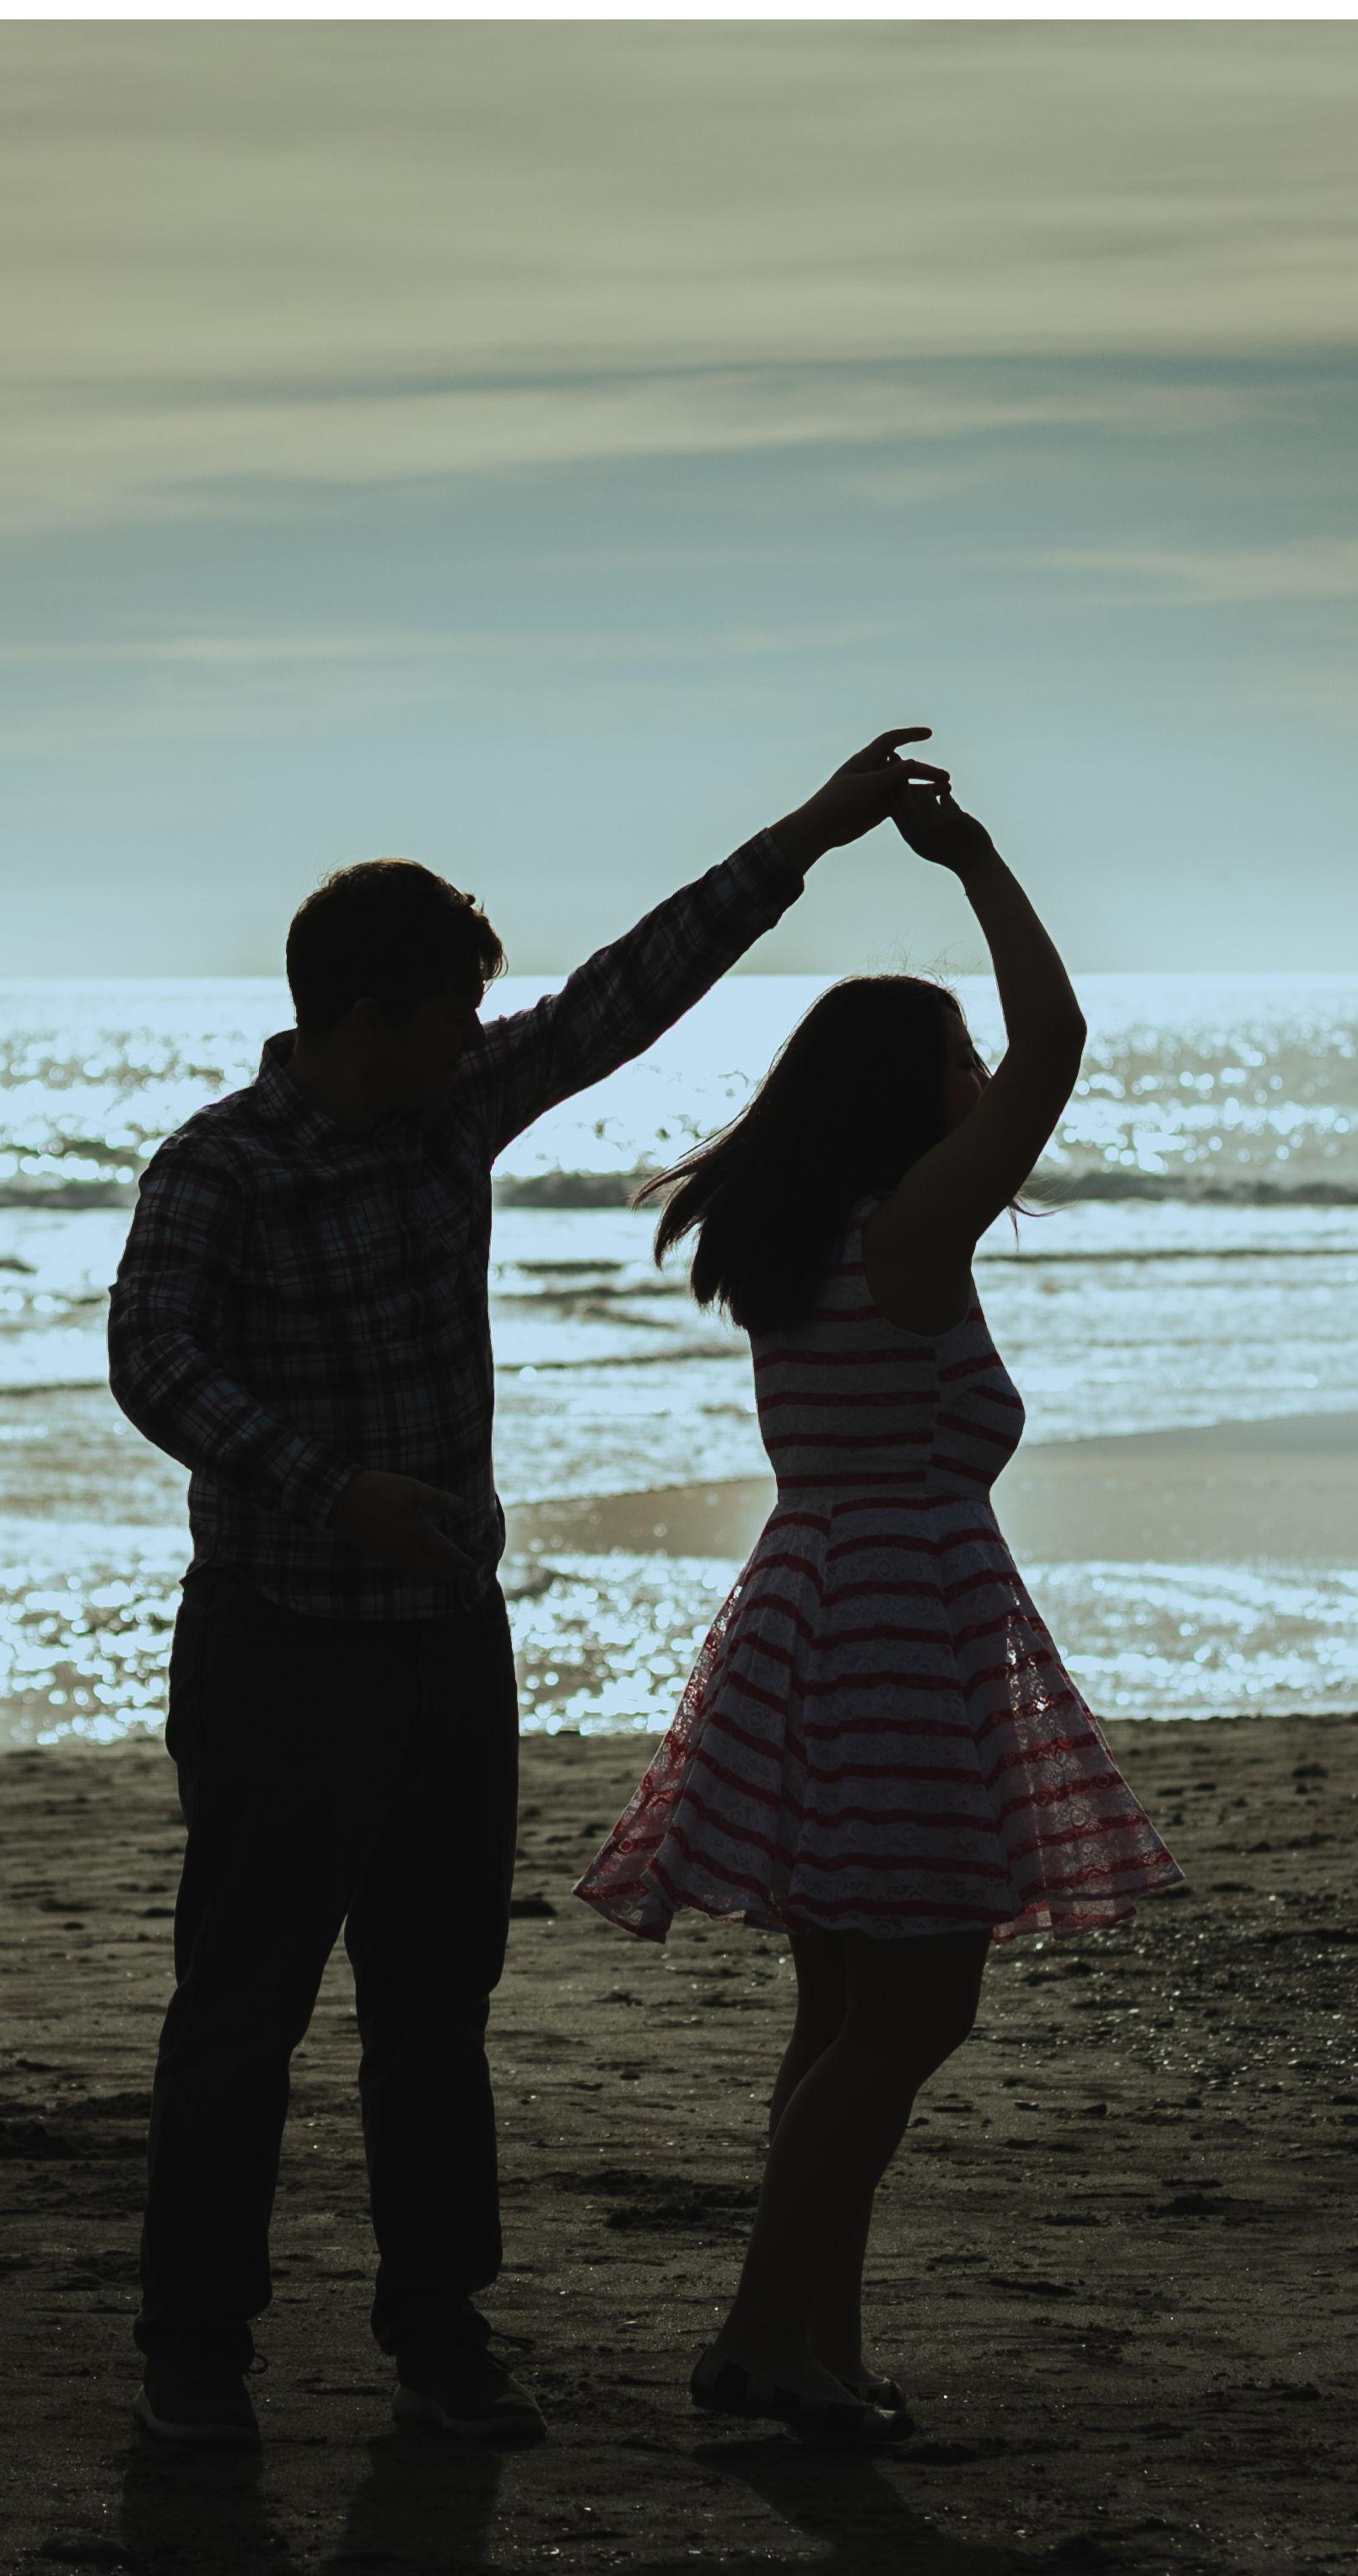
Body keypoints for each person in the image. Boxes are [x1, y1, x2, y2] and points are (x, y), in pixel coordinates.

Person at [105, 729, 952, 2452]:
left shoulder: (450, 1119)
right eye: (446, 1019)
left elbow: (632, 992)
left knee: (436, 2010)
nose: (478, 1045)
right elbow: (153, 1362)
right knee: (242, 2011)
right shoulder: (221, 1167)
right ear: (365, 1018)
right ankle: (196, 2349)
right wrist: (334, 1491)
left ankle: (440, 2335)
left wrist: (818, 828)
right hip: (277, 1648)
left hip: (443, 1655)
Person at [574, 768, 1181, 2444]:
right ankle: (769, 2344)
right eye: (954, 1067)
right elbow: (1056, 1053)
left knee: (844, 2017)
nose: (983, 1082)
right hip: (900, 1630)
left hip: (814, 1614)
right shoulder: (910, 1229)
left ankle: (803, 2350)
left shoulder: (806, 1233)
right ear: (905, 1095)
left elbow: (1023, 1073)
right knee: (914, 2011)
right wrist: (978, 860)